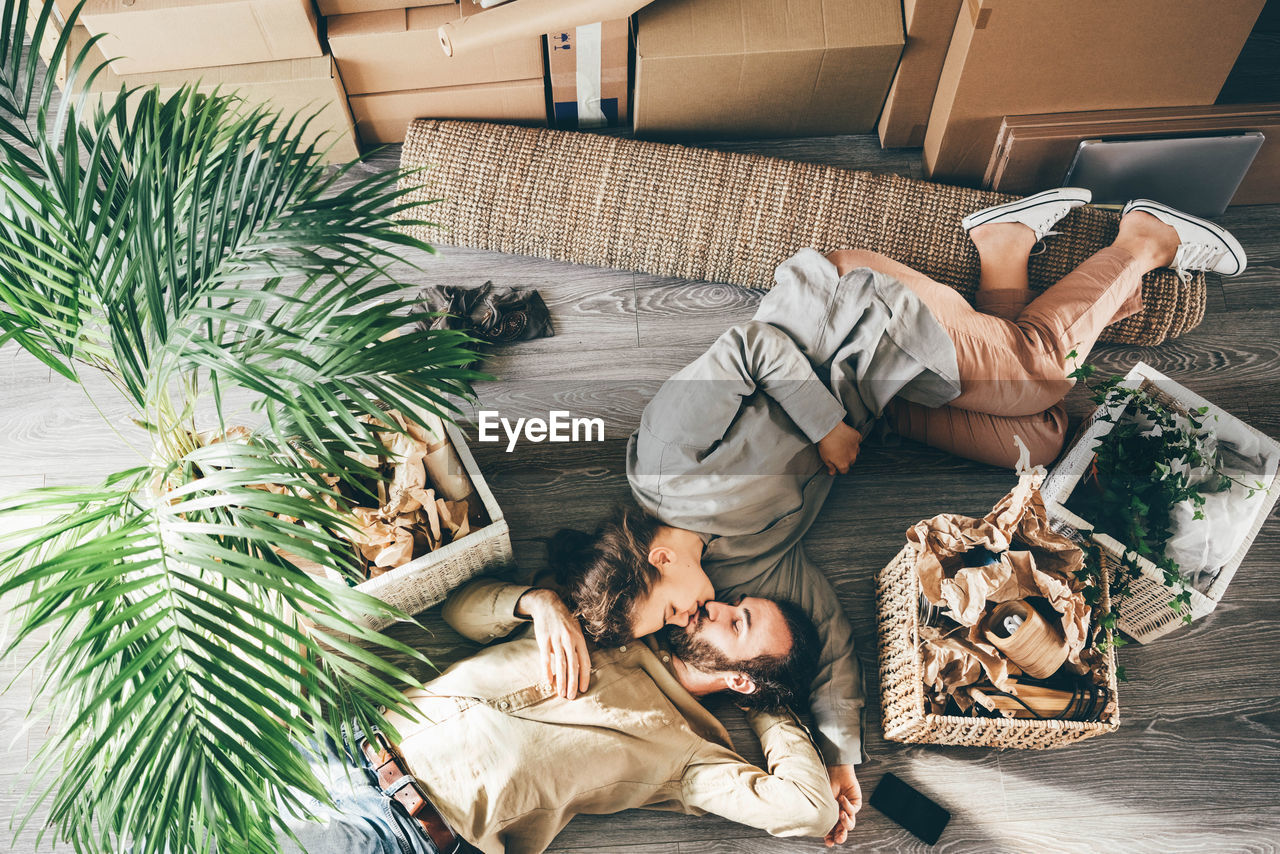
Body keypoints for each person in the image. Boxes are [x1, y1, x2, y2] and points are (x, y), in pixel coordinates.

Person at [541, 191, 1248, 846]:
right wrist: (841, 753)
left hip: (854, 317)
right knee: (1039, 438)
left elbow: (749, 349)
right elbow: (833, 637)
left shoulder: (665, 460)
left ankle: (1146, 240)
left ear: (658, 563)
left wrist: (824, 429)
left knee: (1040, 371)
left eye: (665, 612)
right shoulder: (734, 570)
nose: (683, 621)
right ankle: (1004, 247)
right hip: (872, 400)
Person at [273, 584, 836, 854]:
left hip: (398, 831)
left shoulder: (689, 754)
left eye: (737, 625)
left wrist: (769, 707)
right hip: (344, 734)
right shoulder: (608, 614)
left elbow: (807, 810)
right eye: (734, 602)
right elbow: (457, 611)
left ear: (743, 678)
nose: (715, 608)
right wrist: (540, 604)